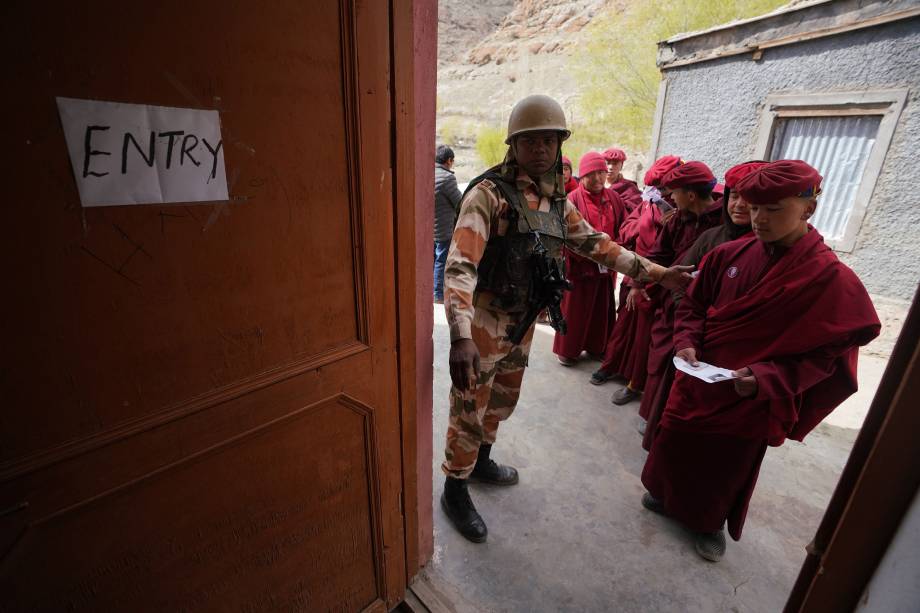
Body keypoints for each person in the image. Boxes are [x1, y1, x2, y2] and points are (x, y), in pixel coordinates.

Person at [440, 95, 693, 542]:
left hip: (522, 323)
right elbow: (461, 267)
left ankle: (480, 462)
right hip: (484, 322)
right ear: (514, 145)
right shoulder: (489, 194)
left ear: (558, 145)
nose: (540, 149)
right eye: (530, 141)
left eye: (548, 140)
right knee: (468, 408)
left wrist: (658, 274)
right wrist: (460, 336)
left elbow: (598, 244)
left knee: (500, 401)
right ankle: (454, 488)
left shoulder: (556, 199)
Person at [640, 159, 881, 562]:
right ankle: (666, 497)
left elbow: (825, 357)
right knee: (675, 443)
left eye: (773, 210)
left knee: (725, 464)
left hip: (751, 393)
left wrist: (767, 378)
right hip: (699, 378)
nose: (758, 219)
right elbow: (693, 307)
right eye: (754, 208)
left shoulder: (829, 279)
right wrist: (685, 341)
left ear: (809, 208)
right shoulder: (728, 255)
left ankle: (709, 522)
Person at [590, 155, 682, 390]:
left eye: (664, 189)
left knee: (644, 336)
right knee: (624, 326)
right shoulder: (651, 201)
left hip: (660, 280)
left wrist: (668, 226)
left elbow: (673, 252)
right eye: (657, 188)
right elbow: (628, 229)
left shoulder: (682, 211)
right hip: (635, 270)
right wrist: (633, 280)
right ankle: (611, 365)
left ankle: (635, 383)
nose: (661, 193)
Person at [553, 151, 627, 365]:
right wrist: (588, 254)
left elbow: (623, 228)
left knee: (600, 311)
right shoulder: (572, 200)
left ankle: (596, 347)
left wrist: (614, 250)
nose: (597, 179)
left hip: (606, 268)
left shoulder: (614, 198)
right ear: (582, 176)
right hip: (580, 268)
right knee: (575, 311)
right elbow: (564, 236)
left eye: (601, 173)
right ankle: (568, 351)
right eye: (592, 174)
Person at [434, 145, 462, 303]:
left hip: (431, 228)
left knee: (434, 259)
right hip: (444, 228)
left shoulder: (429, 173)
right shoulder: (447, 177)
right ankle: (438, 295)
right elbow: (459, 201)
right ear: (449, 160)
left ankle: (432, 290)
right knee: (441, 261)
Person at [603, 147, 642, 212]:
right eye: (608, 163)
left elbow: (636, 209)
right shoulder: (596, 184)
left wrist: (615, 202)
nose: (610, 167)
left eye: (615, 164)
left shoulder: (629, 187)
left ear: (621, 166)